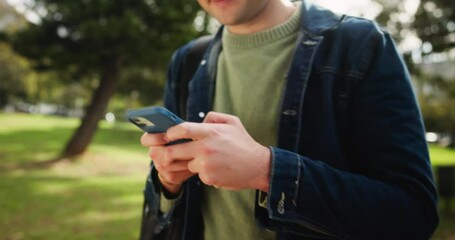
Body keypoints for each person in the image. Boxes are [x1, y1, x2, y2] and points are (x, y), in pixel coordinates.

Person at [139, 0, 439, 239]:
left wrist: (266, 170)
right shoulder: (187, 61)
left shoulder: (360, 45)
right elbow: (163, 211)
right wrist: (168, 181)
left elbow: (413, 214)